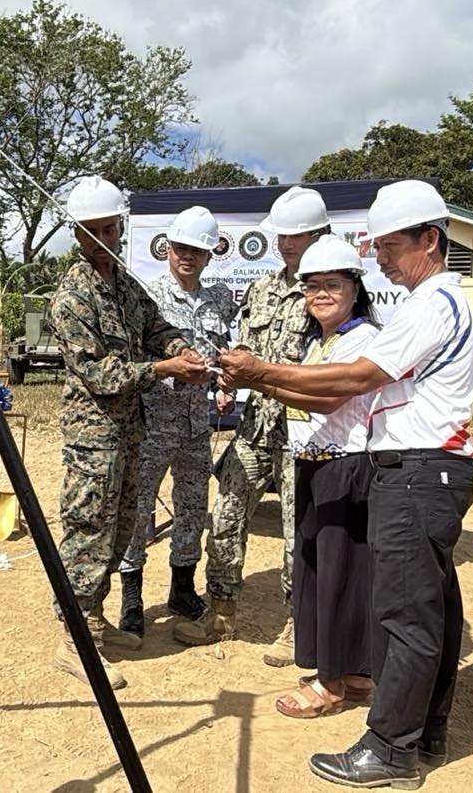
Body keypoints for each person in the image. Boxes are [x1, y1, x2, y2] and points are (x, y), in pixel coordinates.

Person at [220, 180, 473, 788]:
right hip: (418, 470)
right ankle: (425, 730)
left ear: (429, 240)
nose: (381, 257)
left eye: (389, 245)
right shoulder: (428, 304)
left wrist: (258, 369)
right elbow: (338, 384)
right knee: (429, 610)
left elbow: (355, 378)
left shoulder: (432, 306)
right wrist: (261, 380)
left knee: (405, 616)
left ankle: (392, 748)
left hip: (416, 470)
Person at [48, 175, 211, 690]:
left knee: (121, 528)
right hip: (93, 436)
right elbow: (101, 373)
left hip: (129, 433)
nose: (102, 240)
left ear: (121, 227)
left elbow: (155, 325)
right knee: (86, 532)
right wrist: (165, 369)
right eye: (91, 232)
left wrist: (181, 345)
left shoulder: (121, 281)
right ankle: (74, 640)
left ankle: (95, 621)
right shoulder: (71, 299)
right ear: (76, 234)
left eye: (109, 229)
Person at [174, 186, 329, 668]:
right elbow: (241, 345)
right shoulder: (262, 288)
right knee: (224, 518)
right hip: (255, 426)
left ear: (321, 234)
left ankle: (296, 625)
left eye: (295, 236)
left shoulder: (330, 291)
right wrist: (227, 379)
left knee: (298, 532)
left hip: (304, 433)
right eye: (280, 236)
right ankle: (220, 614)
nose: (285, 244)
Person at [268, 236, 381, 720]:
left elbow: (329, 398)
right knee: (326, 570)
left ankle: (329, 685)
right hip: (314, 463)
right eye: (311, 286)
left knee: (337, 576)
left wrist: (261, 378)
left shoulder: (363, 339)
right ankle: (354, 671)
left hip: (345, 466)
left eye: (332, 284)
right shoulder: (316, 341)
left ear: (355, 288)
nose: (320, 295)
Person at [118, 206, 238, 640]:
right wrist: (170, 367)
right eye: (182, 248)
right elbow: (134, 359)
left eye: (198, 250)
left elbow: (223, 351)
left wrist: (226, 386)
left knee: (193, 506)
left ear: (210, 255)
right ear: (168, 249)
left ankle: (182, 588)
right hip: (152, 422)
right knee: (138, 507)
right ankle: (131, 595)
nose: (188, 256)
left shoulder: (219, 299)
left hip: (196, 425)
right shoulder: (146, 298)